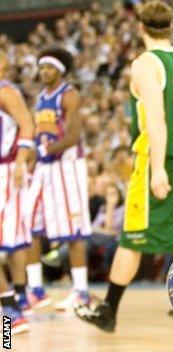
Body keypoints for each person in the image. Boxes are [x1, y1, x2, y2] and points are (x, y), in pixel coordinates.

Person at [75, 0, 173, 332]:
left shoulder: (145, 63)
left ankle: (108, 310)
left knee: (133, 238)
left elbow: (156, 117)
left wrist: (158, 169)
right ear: (171, 27)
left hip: (165, 157)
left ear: (140, 27)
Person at [22, 46, 92, 312]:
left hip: (67, 166)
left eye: (49, 67)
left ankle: (82, 292)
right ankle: (35, 289)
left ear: (60, 70)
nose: (44, 71)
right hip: (44, 168)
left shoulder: (69, 95)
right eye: (41, 67)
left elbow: (73, 136)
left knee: (74, 232)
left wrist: (45, 150)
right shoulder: (40, 97)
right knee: (28, 224)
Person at [0, 53, 34, 333]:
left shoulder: (6, 91)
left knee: (13, 239)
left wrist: (22, 161)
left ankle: (11, 310)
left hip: (7, 170)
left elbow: (28, 125)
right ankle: (17, 301)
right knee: (12, 241)